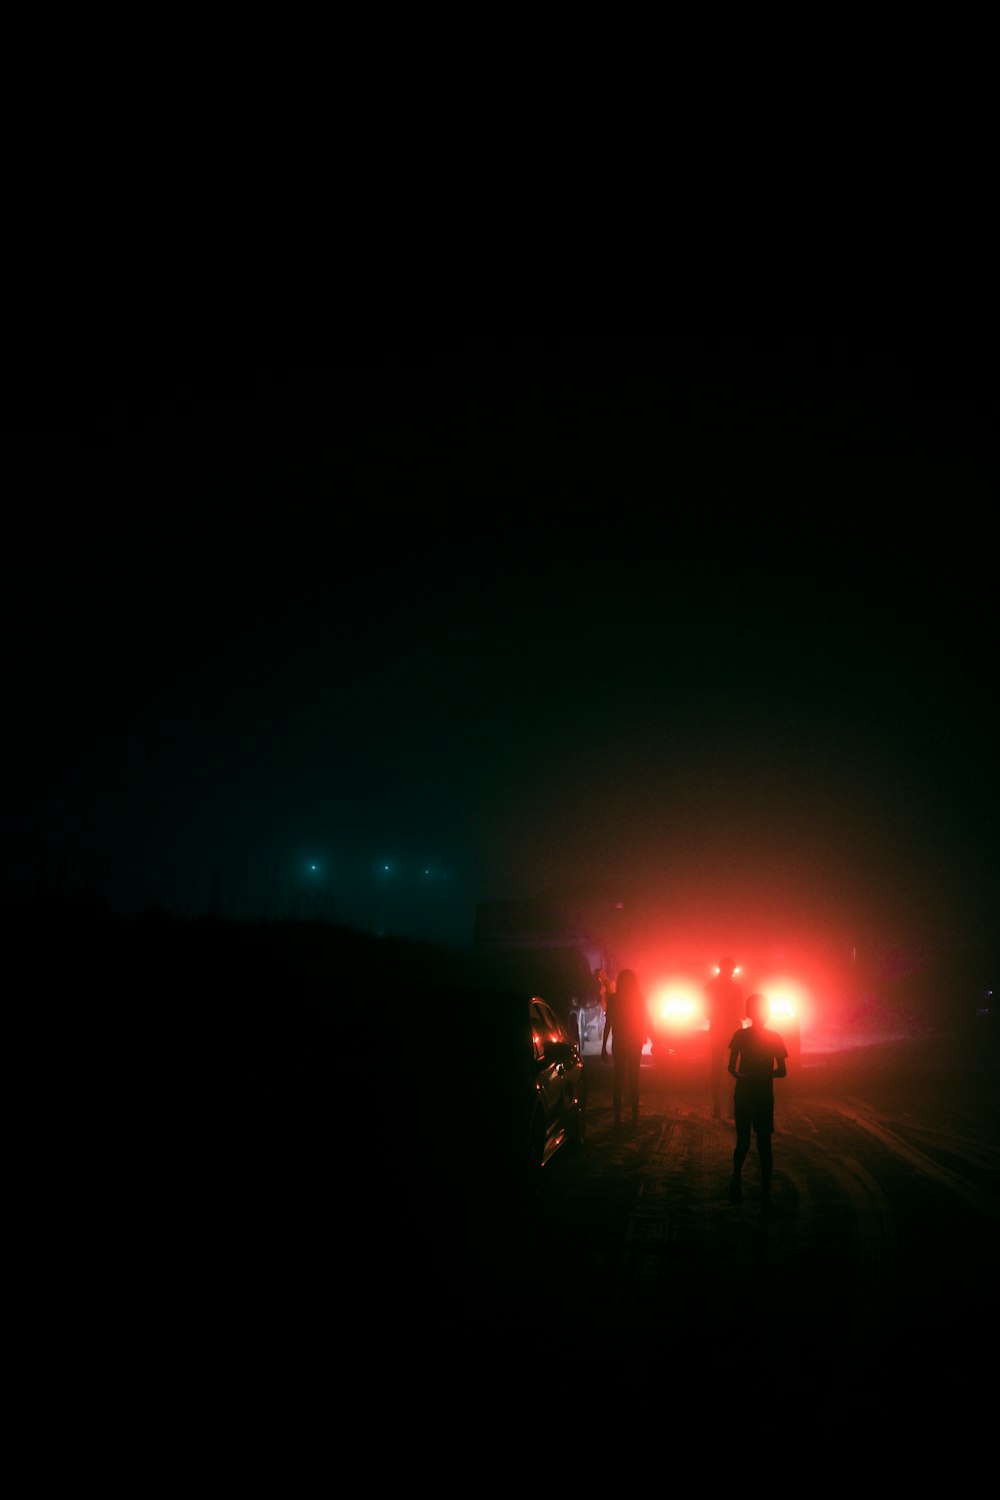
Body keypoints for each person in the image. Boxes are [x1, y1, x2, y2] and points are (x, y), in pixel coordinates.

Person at [727, 992, 788, 1217]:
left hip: (744, 1092)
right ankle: (765, 1192)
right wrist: (764, 1075)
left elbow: (731, 1068)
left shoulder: (740, 1036)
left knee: (742, 1141)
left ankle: (735, 1180)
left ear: (748, 1012)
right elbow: (782, 1071)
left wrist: (745, 1076)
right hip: (764, 1094)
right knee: (764, 1144)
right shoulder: (775, 1037)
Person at [601, 967, 650, 1129]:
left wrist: (603, 1047)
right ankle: (635, 1118)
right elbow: (644, 1020)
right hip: (634, 1042)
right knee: (634, 1080)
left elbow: (609, 1023)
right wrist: (646, 1036)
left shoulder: (614, 999)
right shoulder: (639, 999)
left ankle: (617, 1119)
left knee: (618, 1079)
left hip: (620, 1042)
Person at [705, 956, 744, 1119]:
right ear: (732, 970)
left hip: (717, 1029)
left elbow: (706, 1011)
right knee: (733, 1068)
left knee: (716, 1068)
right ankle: (732, 1106)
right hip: (733, 1030)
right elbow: (742, 1013)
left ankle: (716, 1107)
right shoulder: (737, 989)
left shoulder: (710, 986)